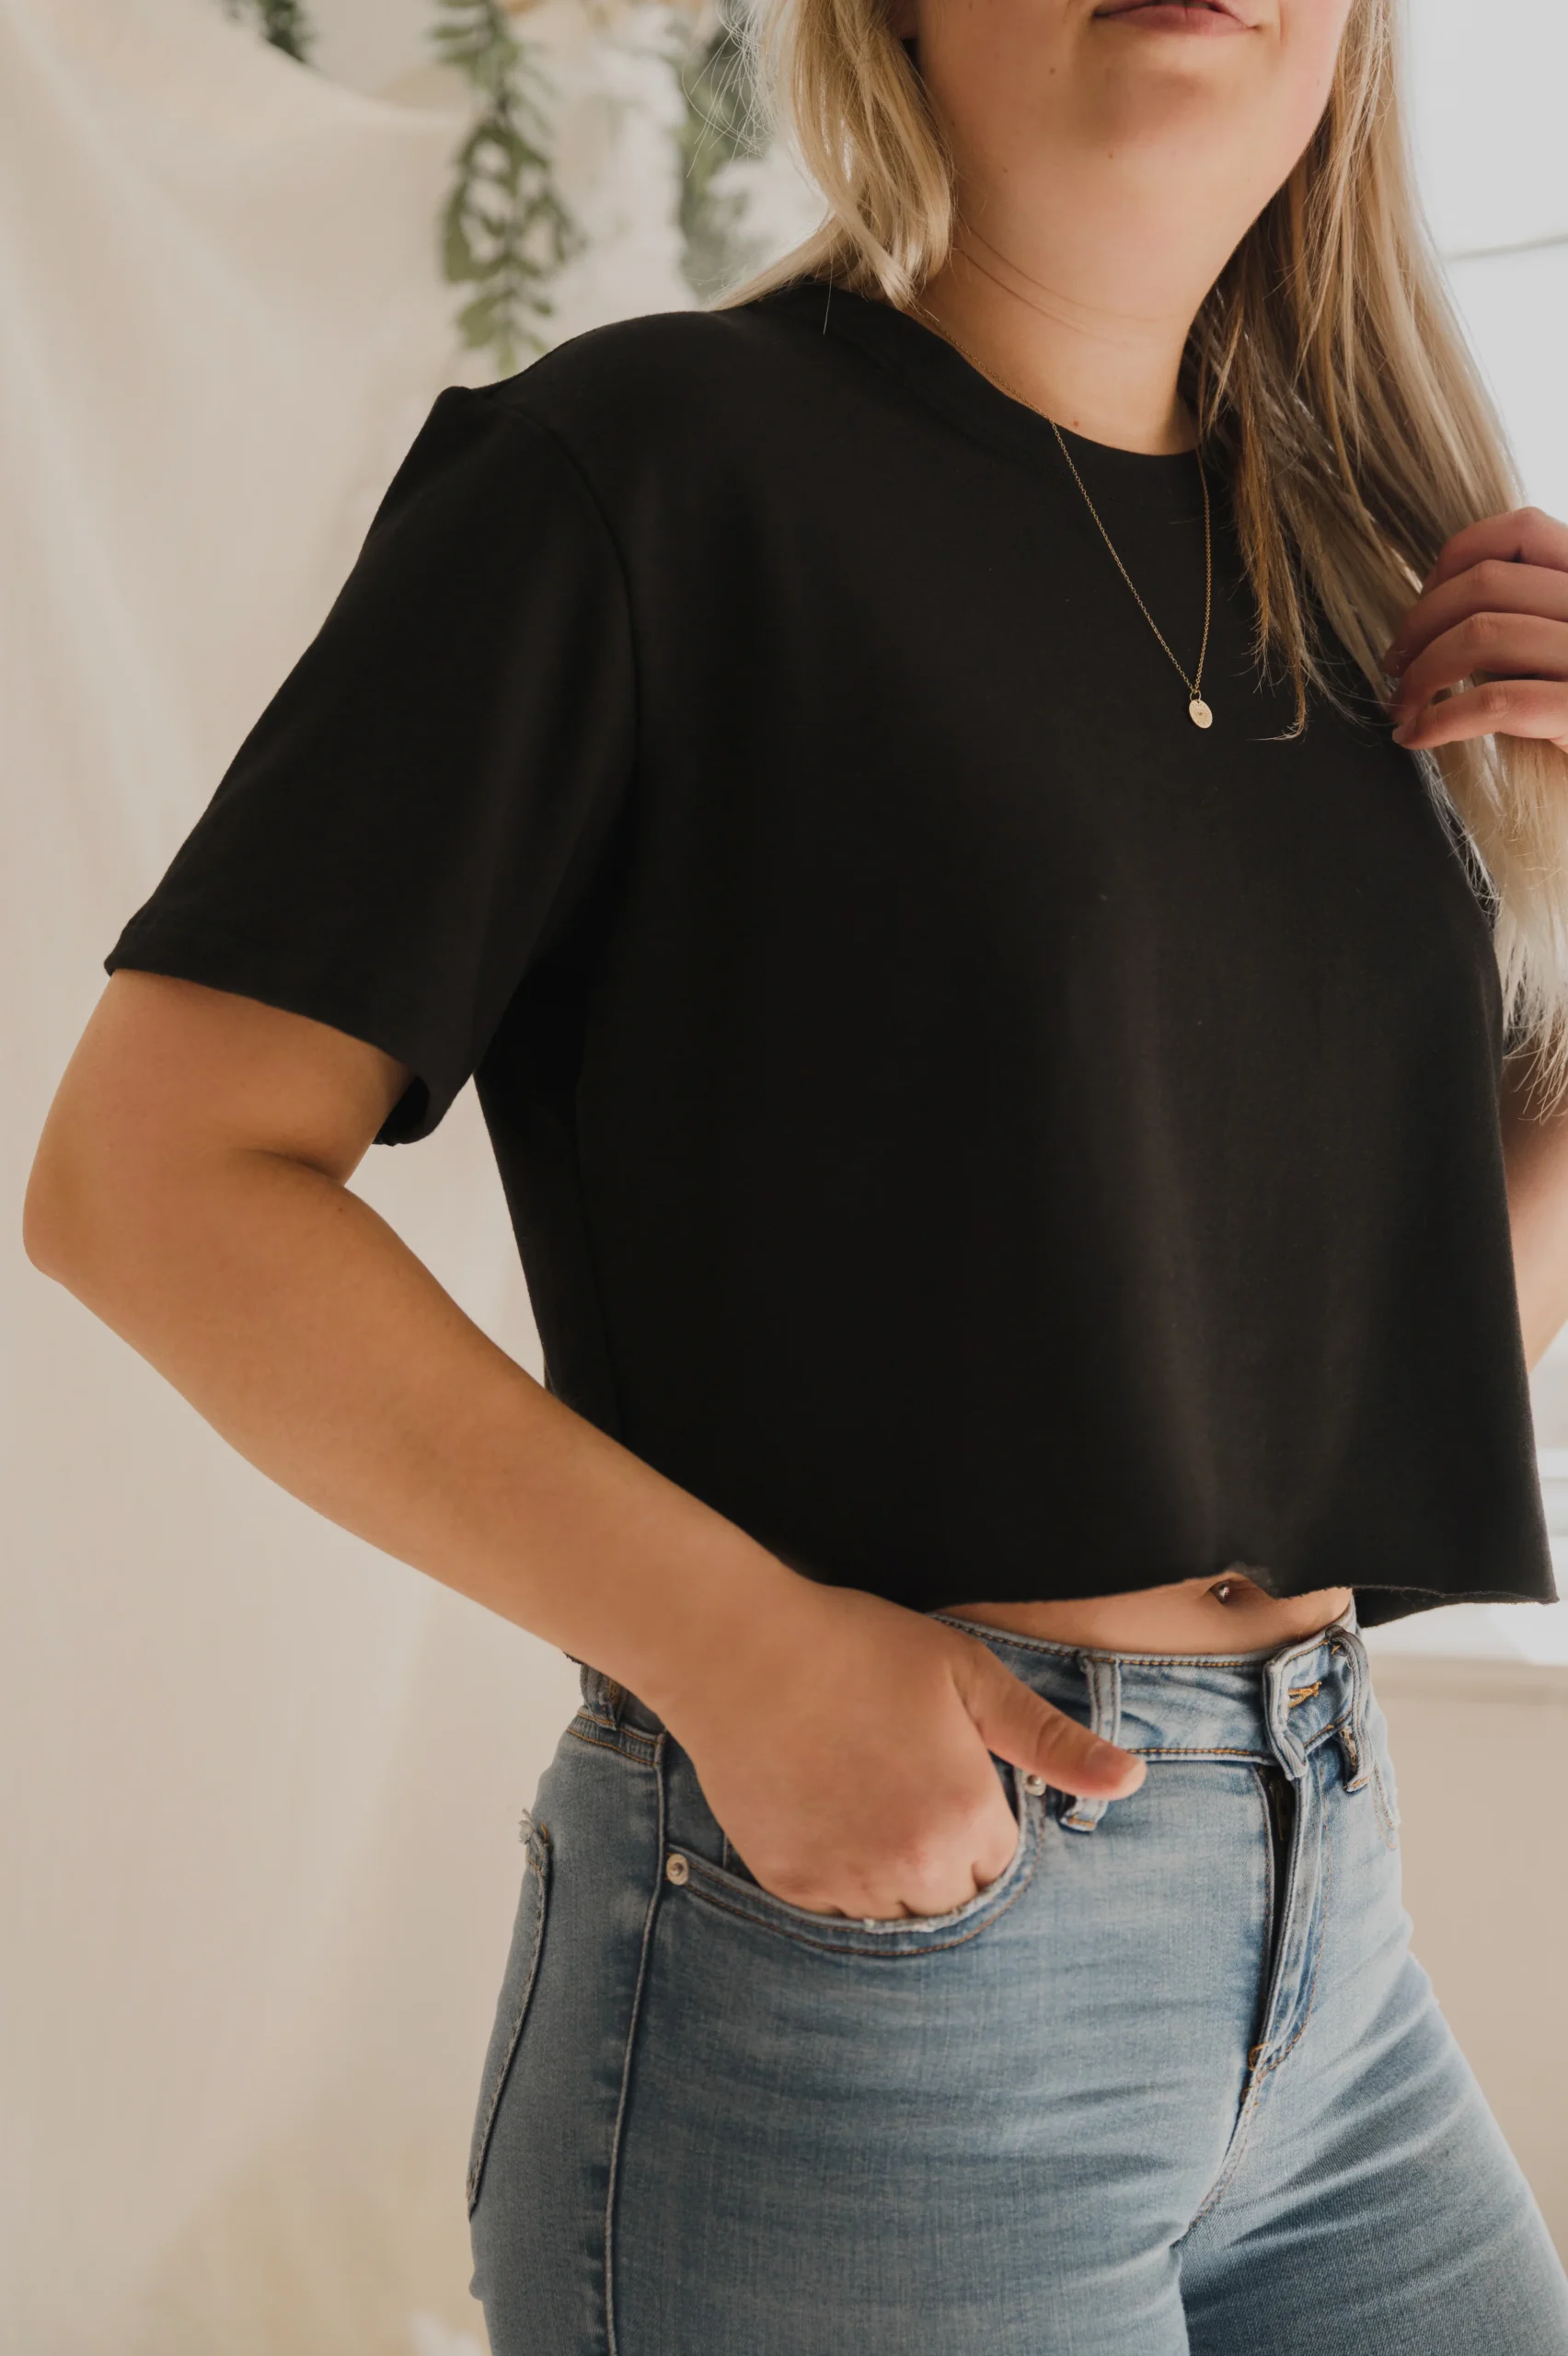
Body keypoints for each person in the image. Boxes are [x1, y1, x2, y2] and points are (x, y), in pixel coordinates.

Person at [24, 0, 1568, 2345]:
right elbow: (151, 1173)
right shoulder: (646, 470)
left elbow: (1403, 1337)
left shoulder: (1371, 600)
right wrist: (744, 1652)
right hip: (869, 1982)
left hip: (1331, 1942)